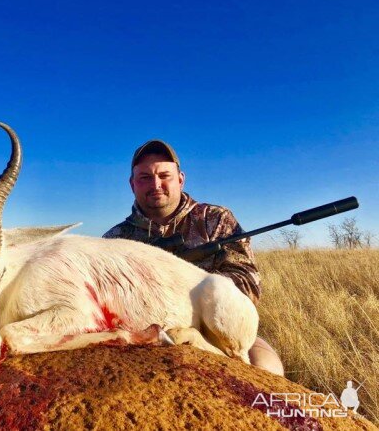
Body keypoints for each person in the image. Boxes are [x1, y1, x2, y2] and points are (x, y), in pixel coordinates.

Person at [103, 139, 284, 376]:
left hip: (216, 329)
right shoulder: (115, 239)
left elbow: (247, 282)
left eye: (164, 175)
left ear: (180, 179)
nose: (155, 184)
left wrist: (189, 287)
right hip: (141, 333)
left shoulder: (217, 219)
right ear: (132, 184)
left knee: (266, 369)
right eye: (145, 177)